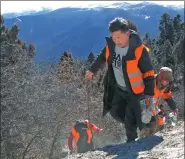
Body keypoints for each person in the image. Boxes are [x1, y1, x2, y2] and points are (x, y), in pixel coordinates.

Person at [85, 17, 155, 143]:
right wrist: (92, 70)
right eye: (113, 37)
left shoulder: (139, 50)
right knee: (115, 112)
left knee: (131, 116)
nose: (116, 41)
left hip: (136, 92)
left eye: (119, 37)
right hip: (119, 89)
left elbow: (149, 74)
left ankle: (132, 141)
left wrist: (149, 96)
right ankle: (139, 124)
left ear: (127, 33)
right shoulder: (111, 46)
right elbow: (101, 57)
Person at [141, 67, 179, 135]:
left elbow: (167, 96)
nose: (167, 82)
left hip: (153, 107)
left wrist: (174, 108)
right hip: (143, 108)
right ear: (160, 77)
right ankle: (143, 139)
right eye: (166, 80)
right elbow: (141, 99)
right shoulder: (150, 83)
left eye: (168, 80)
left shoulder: (166, 85)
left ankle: (157, 132)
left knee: (161, 119)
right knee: (152, 124)